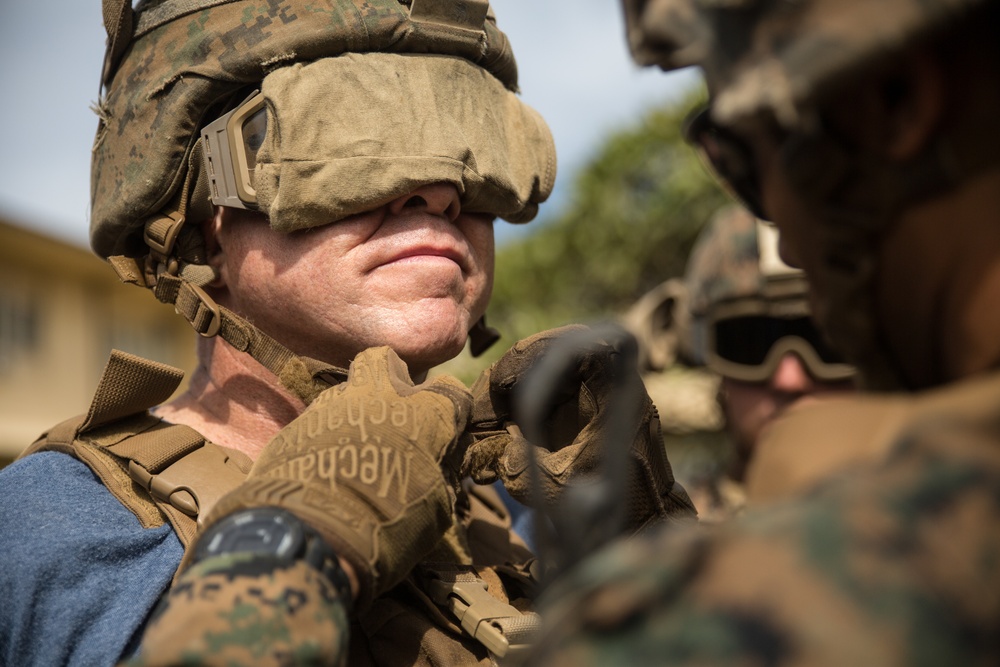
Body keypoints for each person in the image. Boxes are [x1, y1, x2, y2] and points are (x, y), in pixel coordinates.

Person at [0, 1, 694, 665]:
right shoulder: (45, 534)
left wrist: (656, 556)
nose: (440, 191)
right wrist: (310, 526)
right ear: (198, 223)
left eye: (473, 141)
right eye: (356, 137)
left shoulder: (510, 512)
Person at [526, 0, 1000, 663]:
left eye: (745, 162)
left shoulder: (702, 620)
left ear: (894, 100)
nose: (789, 372)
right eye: (750, 342)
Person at [647, 205, 856, 520]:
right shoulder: (666, 538)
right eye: (751, 344)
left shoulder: (946, 518)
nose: (790, 378)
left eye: (825, 339)